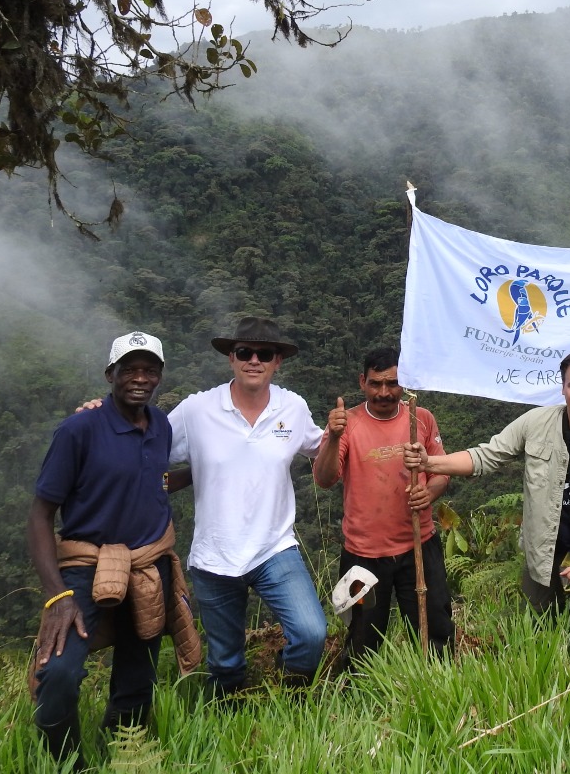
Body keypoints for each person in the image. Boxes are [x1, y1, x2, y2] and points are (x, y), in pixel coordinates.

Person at [28, 332, 198, 765]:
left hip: (146, 565)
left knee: (139, 667)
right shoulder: (78, 429)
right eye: (130, 370)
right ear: (111, 375)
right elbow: (41, 514)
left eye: (150, 370)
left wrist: (204, 471)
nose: (140, 378)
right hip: (85, 567)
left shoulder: (159, 425)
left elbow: (154, 478)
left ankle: (125, 750)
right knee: (59, 673)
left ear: (159, 376)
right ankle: (66, 761)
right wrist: (57, 595)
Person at [402, 350, 570, 634]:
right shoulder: (535, 423)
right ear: (563, 388)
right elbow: (486, 456)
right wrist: (428, 462)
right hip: (546, 539)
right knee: (542, 624)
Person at [168, 316, 344, 694]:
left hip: (274, 548)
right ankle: (228, 721)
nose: (254, 360)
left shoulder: (292, 408)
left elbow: (321, 452)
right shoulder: (197, 410)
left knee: (311, 634)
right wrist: (102, 413)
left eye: (264, 354)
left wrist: (338, 435)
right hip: (215, 555)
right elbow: (147, 444)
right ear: (231, 358)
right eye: (244, 352)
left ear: (277, 361)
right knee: (226, 663)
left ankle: (289, 696)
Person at [312, 347, 455, 664]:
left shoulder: (421, 418)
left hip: (419, 544)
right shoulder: (346, 423)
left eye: (392, 383)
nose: (384, 392)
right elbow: (324, 478)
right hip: (363, 554)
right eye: (376, 383)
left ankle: (441, 694)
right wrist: (334, 438)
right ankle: (360, 705)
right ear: (363, 382)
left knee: (435, 631)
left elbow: (441, 473)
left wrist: (428, 494)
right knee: (362, 641)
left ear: (403, 382)